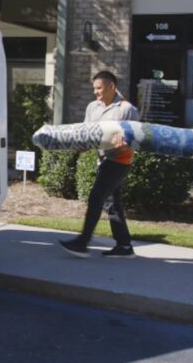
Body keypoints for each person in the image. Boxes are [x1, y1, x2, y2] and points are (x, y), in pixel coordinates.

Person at [59, 70, 140, 259]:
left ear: (111, 86)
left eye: (99, 88)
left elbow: (136, 138)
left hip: (119, 161)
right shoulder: (92, 107)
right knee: (112, 204)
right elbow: (87, 133)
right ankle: (124, 246)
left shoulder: (127, 109)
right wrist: (81, 145)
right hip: (103, 159)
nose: (95, 92)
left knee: (96, 198)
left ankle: (82, 242)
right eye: (94, 88)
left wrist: (125, 144)